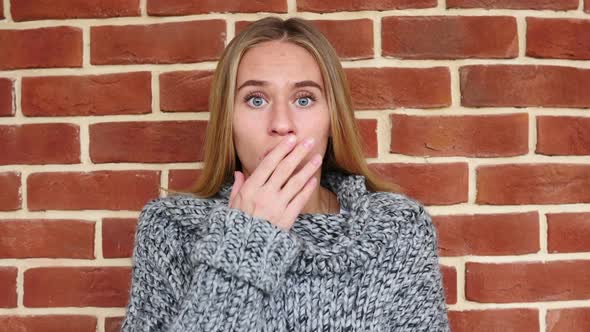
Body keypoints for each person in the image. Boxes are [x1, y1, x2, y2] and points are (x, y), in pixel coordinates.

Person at [120, 16, 450, 331]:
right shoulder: (172, 230)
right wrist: (246, 241)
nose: (281, 123)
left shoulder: (397, 228)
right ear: (228, 120)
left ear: (332, 118)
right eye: (256, 100)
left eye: (304, 100)